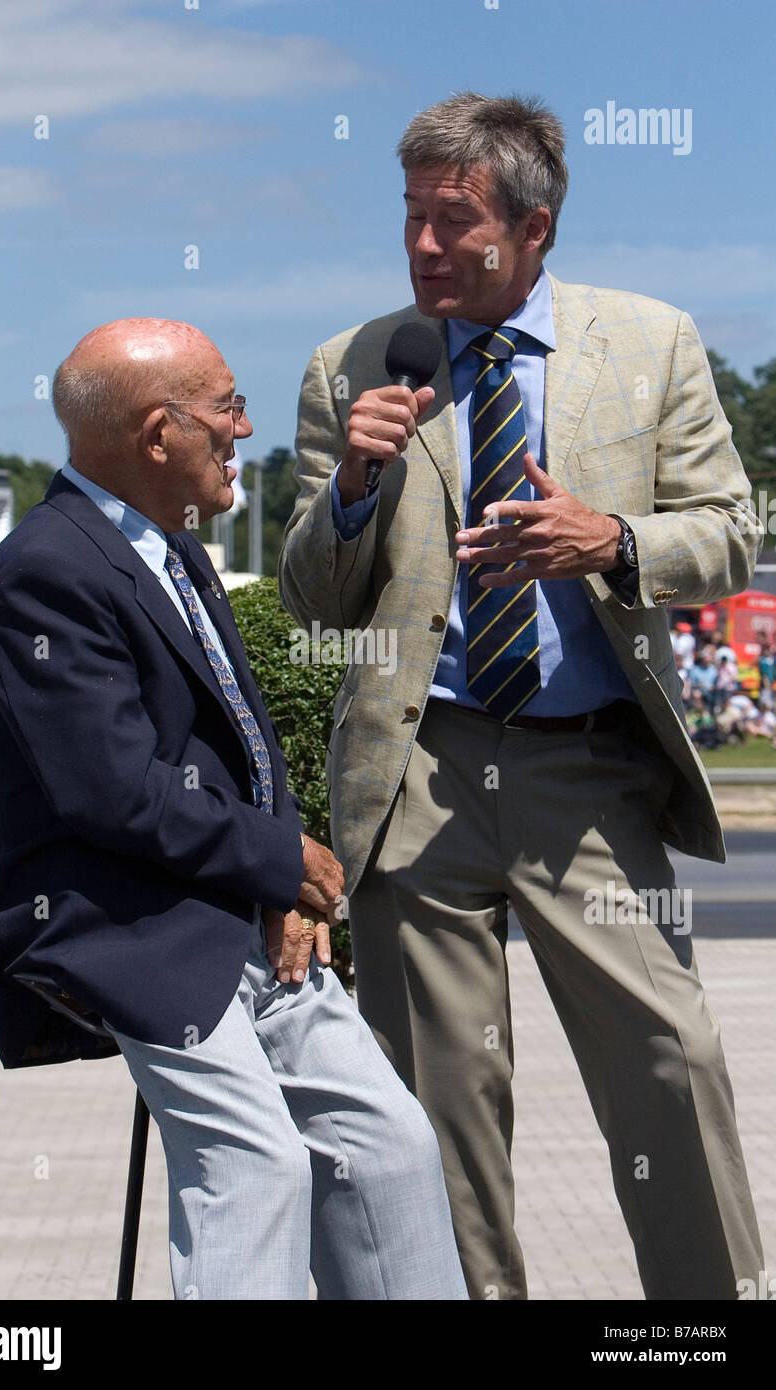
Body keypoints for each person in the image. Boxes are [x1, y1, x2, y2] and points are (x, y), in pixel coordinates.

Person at [278, 92, 765, 1300]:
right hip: (418, 774)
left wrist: (608, 539)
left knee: (669, 1057)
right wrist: (349, 483)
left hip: (587, 771)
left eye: (456, 222)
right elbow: (311, 603)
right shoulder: (351, 367)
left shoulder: (646, 342)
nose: (425, 246)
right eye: (411, 218)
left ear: (534, 227)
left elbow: (729, 535)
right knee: (438, 1104)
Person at [0, 317, 466, 1302]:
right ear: (159, 436)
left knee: (392, 1148)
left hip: (227, 901)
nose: (244, 428)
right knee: (255, 1166)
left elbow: (245, 740)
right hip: (119, 918)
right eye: (227, 407)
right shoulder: (44, 571)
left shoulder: (175, 552)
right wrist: (277, 862)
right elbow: (111, 793)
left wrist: (279, 881)